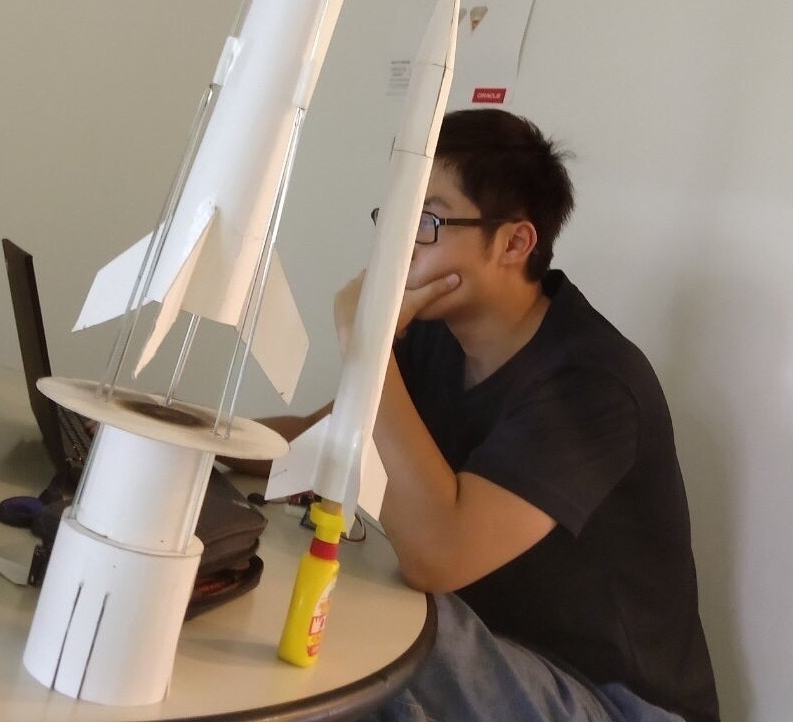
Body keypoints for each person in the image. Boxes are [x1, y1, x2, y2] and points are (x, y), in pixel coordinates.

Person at [255, 108, 719, 722]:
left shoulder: (593, 382)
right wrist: (191, 439)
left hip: (610, 700)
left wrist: (366, 345)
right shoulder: (435, 337)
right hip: (492, 652)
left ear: (514, 243)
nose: (396, 242)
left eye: (426, 220)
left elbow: (436, 556)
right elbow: (324, 443)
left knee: (373, 614)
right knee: (305, 564)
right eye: (394, 216)